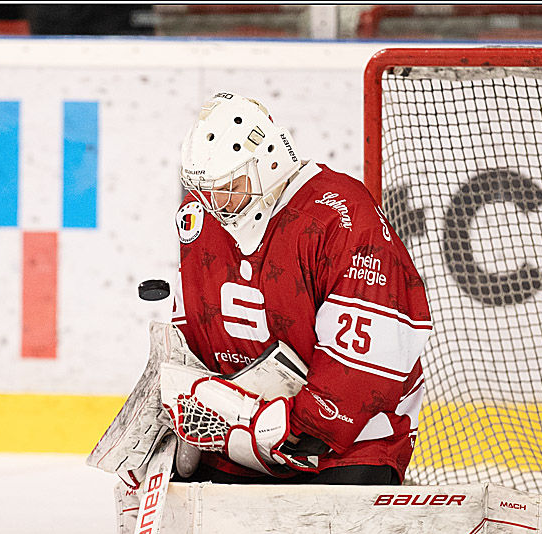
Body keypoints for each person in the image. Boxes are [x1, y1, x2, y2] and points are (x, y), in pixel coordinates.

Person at [162, 91, 432, 486]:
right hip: (238, 441)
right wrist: (184, 404)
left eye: (228, 186)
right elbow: (193, 325)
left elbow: (369, 361)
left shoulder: (343, 217)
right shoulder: (203, 218)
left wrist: (285, 426)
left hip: (345, 448)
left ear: (269, 162)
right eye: (206, 189)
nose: (213, 202)